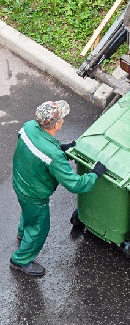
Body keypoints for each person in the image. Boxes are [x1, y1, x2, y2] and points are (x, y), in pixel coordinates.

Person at [10, 100, 106, 277]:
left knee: (28, 212)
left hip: (19, 181)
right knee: (39, 228)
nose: (63, 120)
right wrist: (95, 174)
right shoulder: (53, 156)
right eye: (62, 118)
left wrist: (61, 148)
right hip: (34, 194)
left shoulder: (28, 127)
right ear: (56, 124)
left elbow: (36, 148)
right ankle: (20, 260)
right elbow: (75, 184)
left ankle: (23, 234)